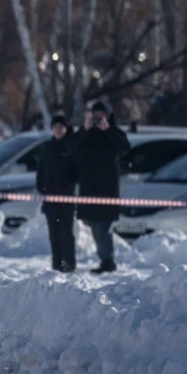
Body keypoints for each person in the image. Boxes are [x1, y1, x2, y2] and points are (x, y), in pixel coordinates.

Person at [73, 100, 130, 273]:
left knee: (102, 227)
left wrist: (108, 130)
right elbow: (71, 147)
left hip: (107, 189)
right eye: (96, 115)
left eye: (102, 115)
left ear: (108, 116)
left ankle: (108, 261)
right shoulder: (87, 134)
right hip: (89, 188)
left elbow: (124, 148)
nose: (98, 118)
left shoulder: (115, 133)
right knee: (93, 225)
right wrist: (84, 129)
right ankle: (106, 259)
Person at [36, 115, 79, 272]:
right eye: (55, 127)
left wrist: (67, 188)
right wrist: (42, 189)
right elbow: (41, 171)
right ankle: (57, 264)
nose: (58, 130)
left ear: (65, 129)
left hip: (66, 200)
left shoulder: (70, 148)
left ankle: (69, 263)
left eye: (61, 127)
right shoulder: (48, 148)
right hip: (50, 200)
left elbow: (76, 173)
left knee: (66, 233)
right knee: (53, 234)